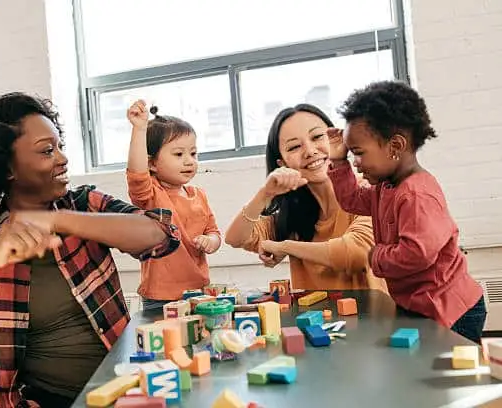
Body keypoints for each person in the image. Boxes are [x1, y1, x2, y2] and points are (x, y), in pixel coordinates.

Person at [0, 92, 180, 408]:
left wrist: (57, 219)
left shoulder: (84, 207)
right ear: (7, 169)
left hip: (125, 387)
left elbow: (161, 234)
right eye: (46, 151)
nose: (63, 158)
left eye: (59, 146)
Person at [327, 80, 485, 342]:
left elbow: (416, 254)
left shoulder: (416, 195)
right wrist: (337, 160)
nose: (356, 163)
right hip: (420, 304)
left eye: (358, 153)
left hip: (450, 309)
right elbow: (352, 200)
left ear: (395, 147)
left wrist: (375, 255)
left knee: (452, 375)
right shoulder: (385, 187)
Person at [225, 103, 386, 292]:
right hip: (316, 321)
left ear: (337, 138)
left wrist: (286, 247)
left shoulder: (368, 191)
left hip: (374, 319)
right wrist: (264, 194)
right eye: (294, 147)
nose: (310, 151)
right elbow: (235, 238)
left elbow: (358, 253)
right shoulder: (294, 213)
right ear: (282, 163)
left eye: (317, 136)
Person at [126, 100, 221, 310]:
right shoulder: (151, 195)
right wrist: (139, 129)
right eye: (179, 154)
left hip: (199, 292)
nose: (189, 161)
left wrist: (210, 241)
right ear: (152, 163)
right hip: (161, 297)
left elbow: (214, 232)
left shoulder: (199, 195)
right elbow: (137, 173)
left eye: (193, 153)